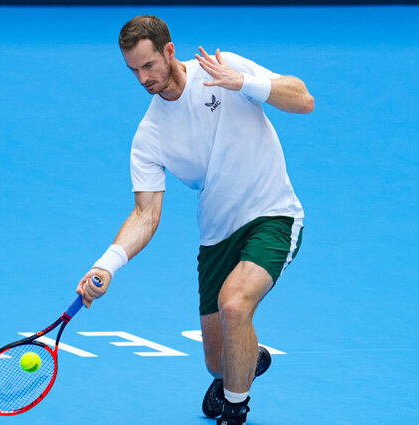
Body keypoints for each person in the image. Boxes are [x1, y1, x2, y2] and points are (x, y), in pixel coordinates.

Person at [75, 15, 313, 425]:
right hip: (216, 233)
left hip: (272, 213)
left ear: (169, 51)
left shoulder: (221, 68)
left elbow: (303, 100)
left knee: (234, 304)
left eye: (148, 65)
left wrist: (246, 84)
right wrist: (106, 264)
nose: (142, 79)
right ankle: (244, 360)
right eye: (133, 70)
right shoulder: (149, 135)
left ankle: (235, 411)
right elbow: (145, 214)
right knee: (217, 363)